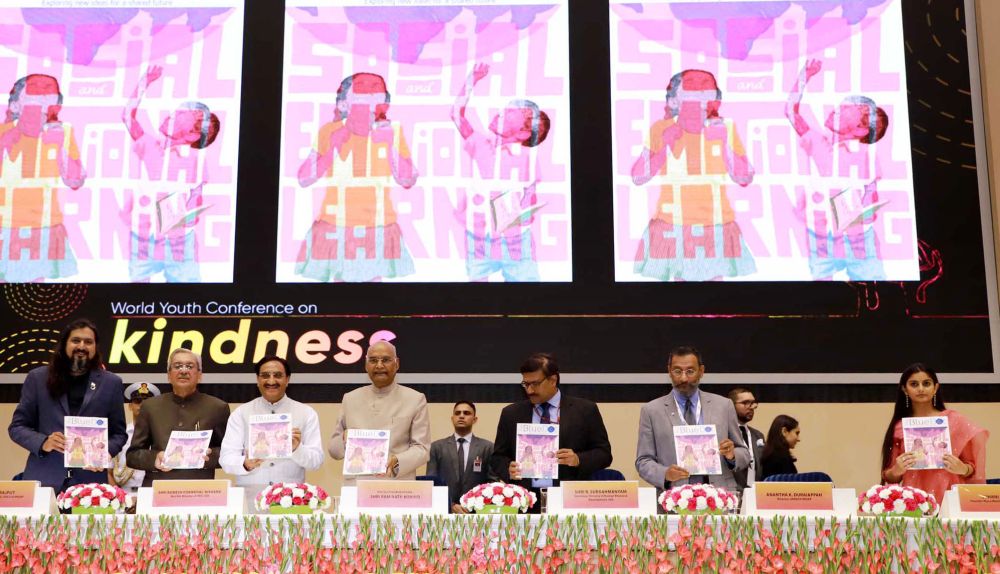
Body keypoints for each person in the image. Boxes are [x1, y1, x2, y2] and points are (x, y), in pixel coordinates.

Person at [630, 69, 755, 281]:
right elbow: (638, 176)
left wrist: (725, 144)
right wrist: (665, 147)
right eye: (691, 90)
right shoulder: (660, 129)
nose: (698, 97)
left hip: (716, 226)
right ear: (674, 100)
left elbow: (745, 177)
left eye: (705, 90)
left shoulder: (726, 129)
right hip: (672, 225)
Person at [296, 72, 418, 282]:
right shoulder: (329, 131)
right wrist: (333, 149)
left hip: (378, 227)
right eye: (362, 87)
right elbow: (304, 178)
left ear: (384, 104)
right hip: (335, 226)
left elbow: (408, 180)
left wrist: (390, 146)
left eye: (376, 89)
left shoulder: (393, 133)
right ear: (344, 103)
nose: (370, 91)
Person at [786, 58, 889, 281]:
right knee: (823, 296)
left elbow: (871, 194)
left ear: (862, 130)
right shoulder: (819, 143)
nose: (836, 109)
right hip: (820, 235)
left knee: (871, 287)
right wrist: (805, 76)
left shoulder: (865, 156)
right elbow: (791, 111)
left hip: (856, 238)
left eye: (845, 109)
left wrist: (863, 219)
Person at [451, 62, 550, 282]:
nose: (500, 113)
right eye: (503, 109)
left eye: (509, 114)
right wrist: (472, 80)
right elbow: (457, 115)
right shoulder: (481, 144)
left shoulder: (527, 158)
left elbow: (530, 196)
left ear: (524, 134)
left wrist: (519, 223)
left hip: (514, 240)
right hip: (478, 237)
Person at [122, 65, 221, 282]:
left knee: (184, 292)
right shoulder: (149, 145)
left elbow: (196, 197)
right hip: (143, 237)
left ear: (194, 134)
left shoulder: (195, 160)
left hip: (178, 242)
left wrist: (185, 221)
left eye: (179, 115)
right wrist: (144, 83)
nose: (170, 115)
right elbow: (127, 117)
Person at [8, 319, 126, 491]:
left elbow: (119, 434)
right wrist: (43, 442)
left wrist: (104, 453)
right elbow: (17, 427)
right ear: (64, 344)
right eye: (76, 340)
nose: (82, 346)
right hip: (45, 479)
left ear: (95, 347)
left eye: (88, 342)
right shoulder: (37, 378)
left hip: (91, 484)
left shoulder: (112, 383)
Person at [491, 353, 612, 512]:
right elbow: (498, 457)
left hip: (569, 499)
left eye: (535, 384)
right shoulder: (511, 413)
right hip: (525, 502)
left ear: (553, 380)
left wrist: (577, 459)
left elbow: (604, 454)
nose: (529, 390)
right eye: (525, 384)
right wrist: (508, 469)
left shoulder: (585, 410)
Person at [0, 74, 86, 282]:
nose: (42, 98)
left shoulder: (64, 132)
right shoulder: (4, 134)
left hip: (44, 228)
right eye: (35, 92)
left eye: (49, 94)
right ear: (15, 105)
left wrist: (59, 148)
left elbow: (75, 181)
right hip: (5, 226)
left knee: (32, 296)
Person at [635, 346, 749, 493]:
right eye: (677, 371)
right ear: (669, 371)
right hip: (673, 498)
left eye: (690, 371)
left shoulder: (723, 405)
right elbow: (643, 461)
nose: (683, 378)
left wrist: (732, 455)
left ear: (701, 371)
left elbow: (744, 453)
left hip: (720, 496)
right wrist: (665, 474)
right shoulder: (651, 411)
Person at [219, 356, 323, 508]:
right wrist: (245, 464)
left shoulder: (306, 413)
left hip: (292, 500)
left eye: (278, 375)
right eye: (265, 375)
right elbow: (226, 458)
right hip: (250, 500)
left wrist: (297, 449)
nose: (271, 381)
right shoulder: (241, 413)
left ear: (287, 379)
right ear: (257, 379)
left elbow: (316, 461)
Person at [880, 363, 988, 502]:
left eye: (926, 383)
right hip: (914, 500)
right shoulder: (900, 427)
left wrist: (963, 469)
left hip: (951, 497)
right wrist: (896, 470)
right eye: (914, 384)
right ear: (904, 390)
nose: (920, 389)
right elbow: (889, 476)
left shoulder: (954, 421)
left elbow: (972, 467)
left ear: (935, 387)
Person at [328, 341, 430, 481]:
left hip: (397, 488)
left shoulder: (415, 399)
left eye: (386, 360)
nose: (379, 365)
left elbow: (422, 449)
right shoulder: (350, 399)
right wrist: (344, 440)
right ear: (366, 365)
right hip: (357, 487)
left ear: (397, 363)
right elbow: (334, 451)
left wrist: (397, 460)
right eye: (373, 360)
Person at [126, 348, 230, 484]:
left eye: (190, 366)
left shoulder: (217, 407)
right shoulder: (150, 407)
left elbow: (229, 452)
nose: (183, 370)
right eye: (177, 366)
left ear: (199, 375)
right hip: (158, 488)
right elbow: (133, 455)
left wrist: (209, 456)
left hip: (200, 490)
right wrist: (155, 458)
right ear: (169, 375)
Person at [427, 401, 494, 512]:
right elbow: (432, 482)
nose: (461, 416)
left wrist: (475, 504)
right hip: (444, 511)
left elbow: (492, 483)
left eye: (466, 413)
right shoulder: (436, 447)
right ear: (452, 418)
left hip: (476, 512)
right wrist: (450, 505)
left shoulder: (487, 447)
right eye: (457, 413)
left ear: (475, 419)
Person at [109, 381, 161, 493]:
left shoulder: (161, 435)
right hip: (124, 494)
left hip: (154, 493)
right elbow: (108, 471)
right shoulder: (120, 435)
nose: (142, 405)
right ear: (130, 406)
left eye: (147, 402)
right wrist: (120, 498)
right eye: (138, 401)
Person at [728, 386, 764, 490]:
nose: (751, 407)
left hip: (755, 492)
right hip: (732, 492)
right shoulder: (724, 434)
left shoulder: (758, 435)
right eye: (745, 403)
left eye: (753, 403)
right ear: (731, 406)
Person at [760, 415, 801, 479]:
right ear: (784, 431)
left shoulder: (771, 455)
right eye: (797, 433)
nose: (798, 439)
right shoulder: (780, 458)